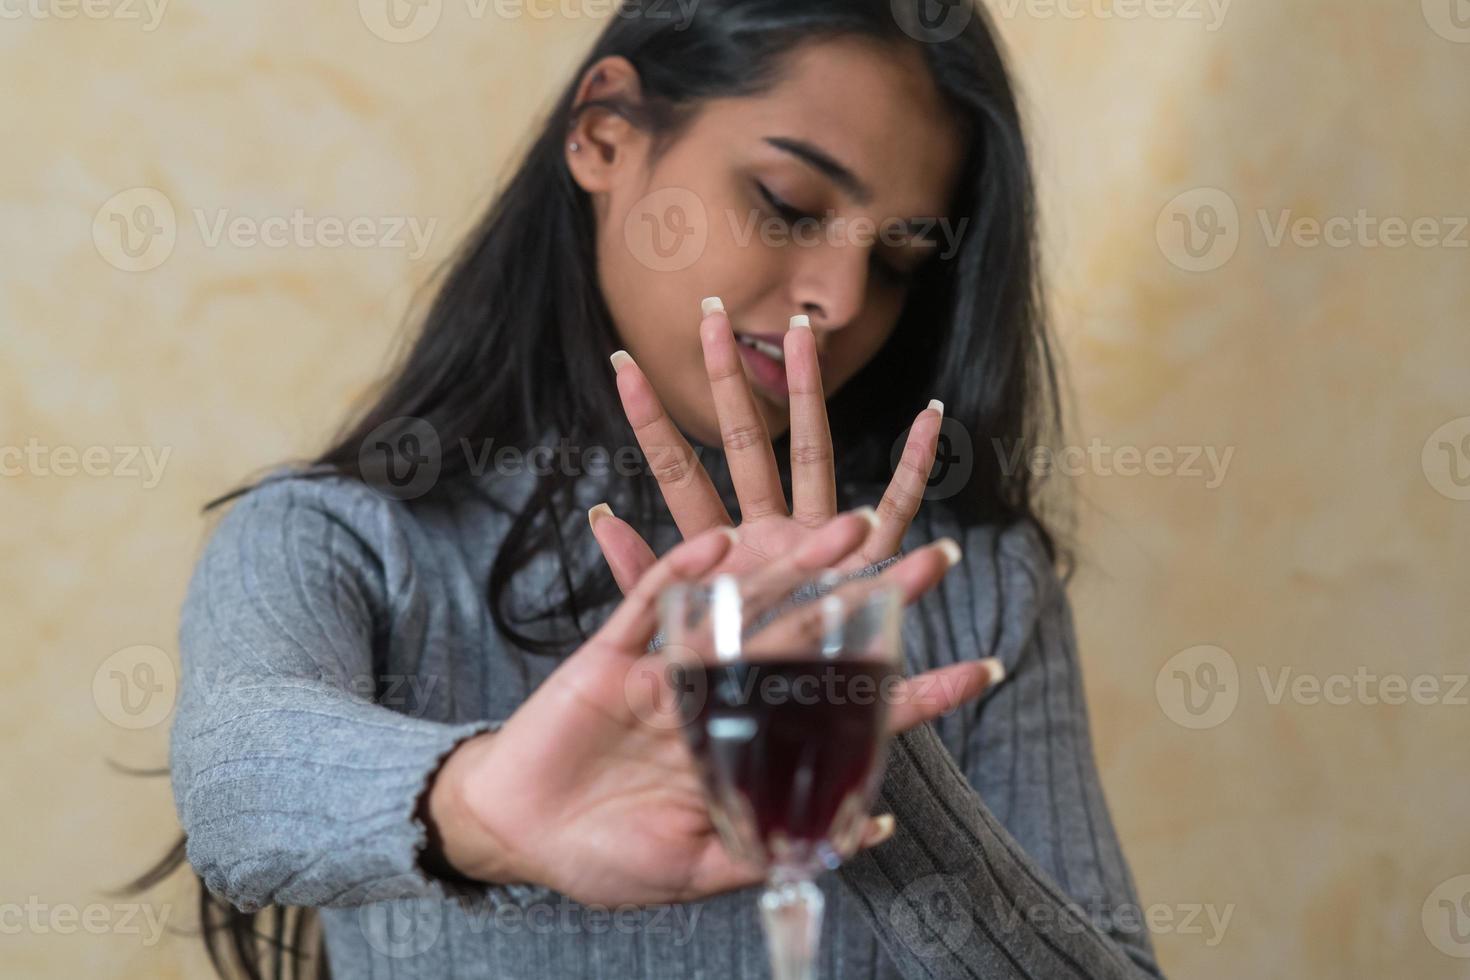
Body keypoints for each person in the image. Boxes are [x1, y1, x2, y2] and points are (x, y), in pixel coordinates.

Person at [142, 1, 1167, 977]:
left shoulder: (968, 574)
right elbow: (240, 782)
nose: (841, 297)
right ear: (604, 132)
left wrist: (834, 732)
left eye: (898, 259)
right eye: (790, 204)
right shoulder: (345, 541)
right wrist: (488, 803)